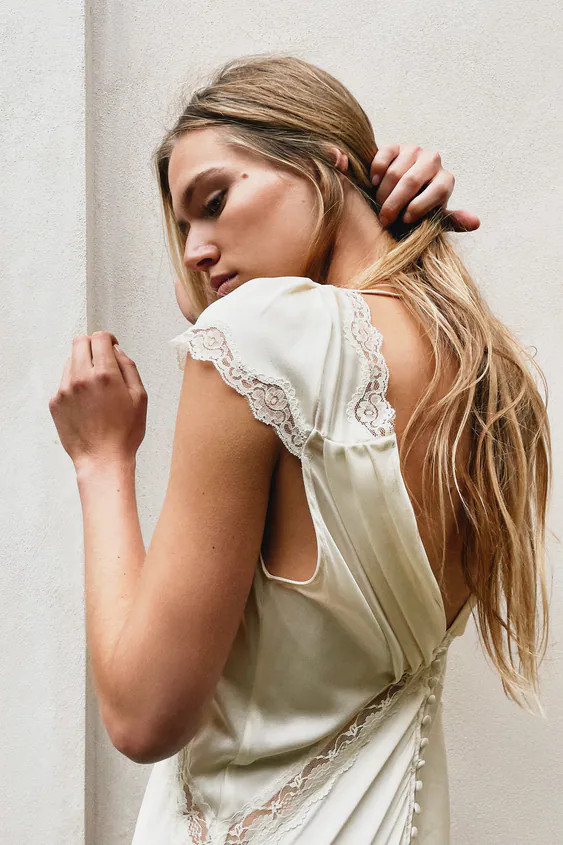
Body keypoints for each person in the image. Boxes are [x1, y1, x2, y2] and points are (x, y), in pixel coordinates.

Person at [49, 54, 553, 844]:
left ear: (326, 160)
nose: (196, 249)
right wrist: (374, 214)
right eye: (183, 229)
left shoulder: (257, 336)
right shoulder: (487, 374)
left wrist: (101, 460)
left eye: (214, 201)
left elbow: (143, 716)